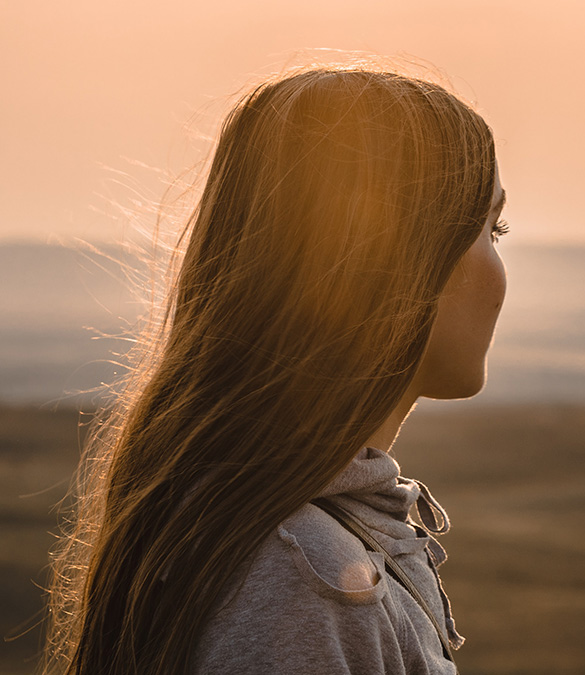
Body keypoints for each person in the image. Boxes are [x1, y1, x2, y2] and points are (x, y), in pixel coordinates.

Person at [42, 62, 508, 675]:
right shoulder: (308, 586)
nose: (501, 269)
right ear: (399, 259)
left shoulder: (287, 544)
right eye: (491, 229)